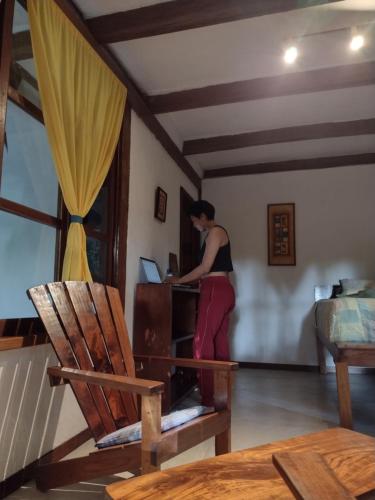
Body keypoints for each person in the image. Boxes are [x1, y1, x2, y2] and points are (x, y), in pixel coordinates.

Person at [167, 200, 235, 406]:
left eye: (194, 220)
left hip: (215, 289)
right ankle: (222, 392)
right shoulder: (219, 233)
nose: (194, 224)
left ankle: (208, 396)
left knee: (201, 340)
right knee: (219, 342)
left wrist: (177, 280)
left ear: (203, 217)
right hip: (223, 289)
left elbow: (205, 268)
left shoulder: (215, 232)